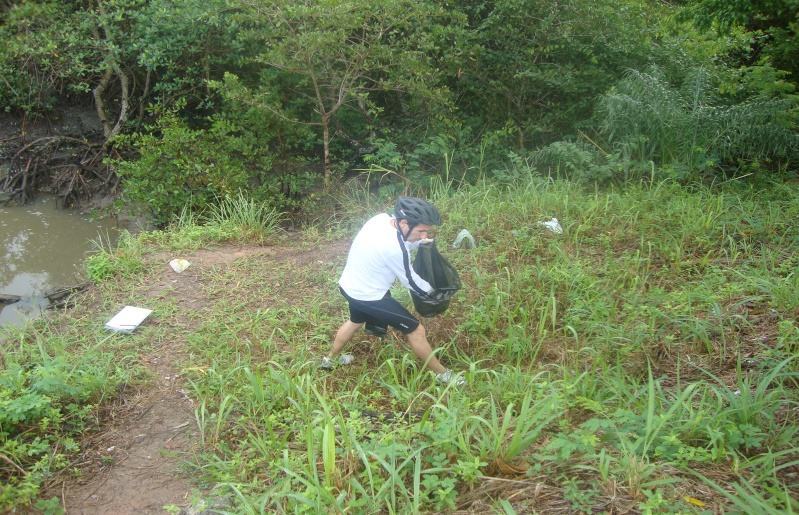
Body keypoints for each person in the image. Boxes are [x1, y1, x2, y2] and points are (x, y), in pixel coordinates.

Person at [321, 196, 464, 386]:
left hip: (349, 286)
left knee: (355, 321)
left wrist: (421, 242)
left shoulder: (380, 219)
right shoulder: (393, 248)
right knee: (416, 330)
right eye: (421, 231)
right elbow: (410, 280)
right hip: (369, 296)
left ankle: (329, 360)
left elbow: (404, 242)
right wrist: (435, 292)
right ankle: (443, 375)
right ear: (404, 223)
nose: (424, 235)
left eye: (427, 231)